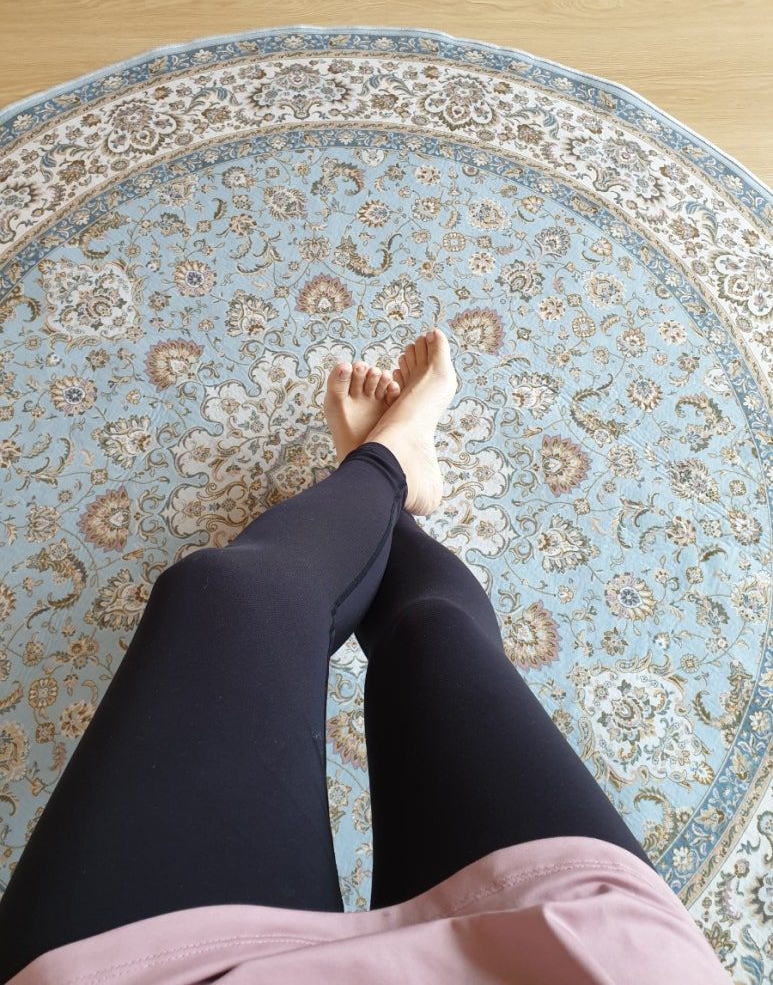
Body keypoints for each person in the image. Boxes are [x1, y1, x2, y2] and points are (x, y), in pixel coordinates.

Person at [0, 329, 729, 983]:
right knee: (433, 636)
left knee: (221, 593)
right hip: (574, 953)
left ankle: (379, 468)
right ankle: (392, 469)